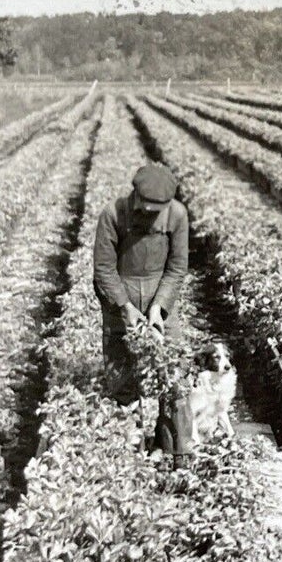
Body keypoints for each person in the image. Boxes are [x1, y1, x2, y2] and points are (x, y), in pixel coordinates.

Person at [92, 161, 189, 395]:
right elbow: (104, 267)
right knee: (121, 369)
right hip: (120, 293)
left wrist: (159, 307)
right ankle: (127, 420)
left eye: (157, 212)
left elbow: (176, 268)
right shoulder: (113, 214)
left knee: (173, 369)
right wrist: (125, 306)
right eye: (146, 209)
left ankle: (172, 428)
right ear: (135, 196)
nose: (150, 216)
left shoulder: (177, 215)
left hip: (160, 292)